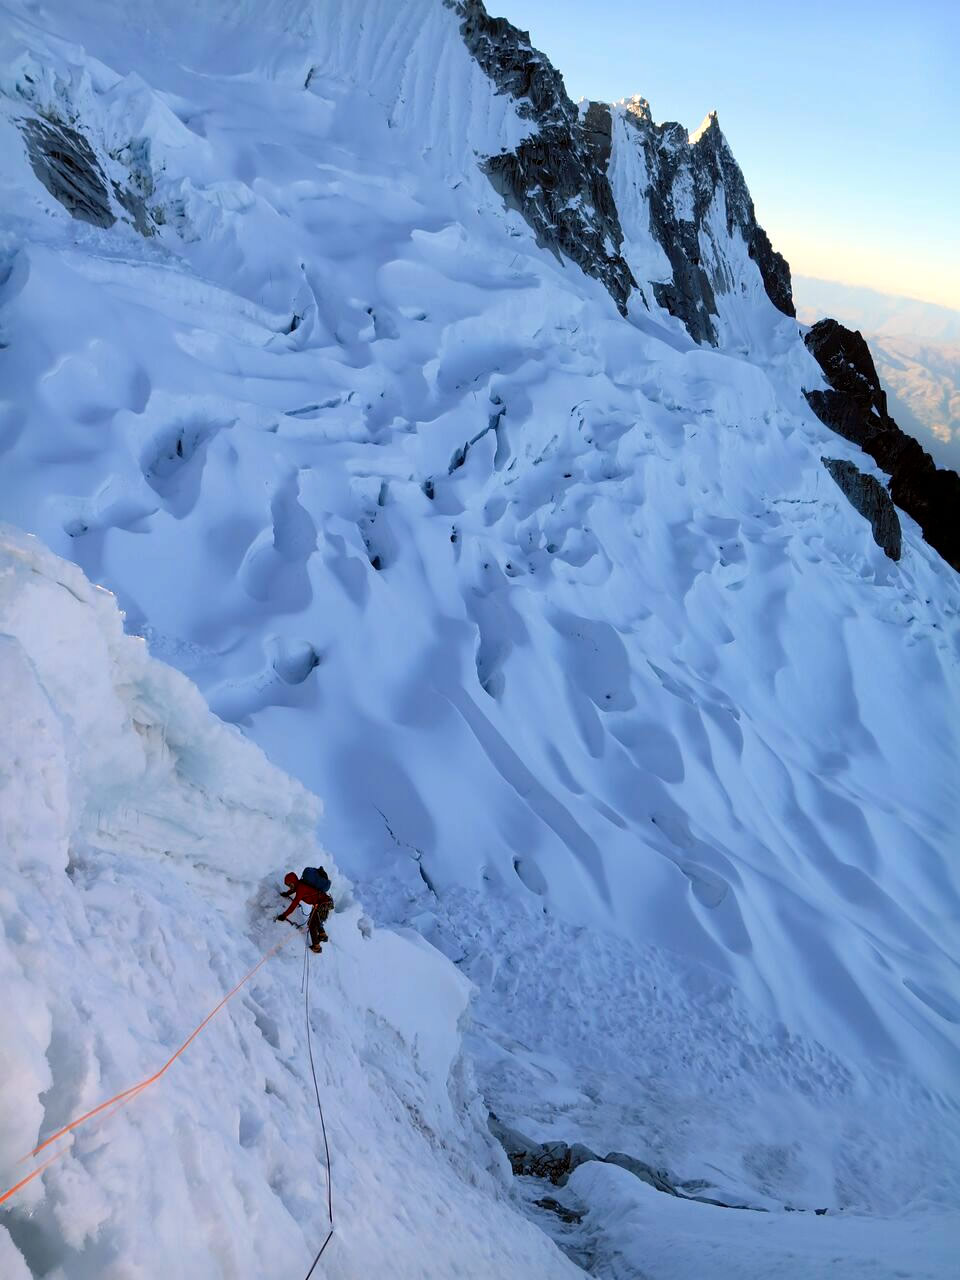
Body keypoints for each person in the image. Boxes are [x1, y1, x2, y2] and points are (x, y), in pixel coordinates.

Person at [275, 870, 333, 953]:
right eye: (288, 885)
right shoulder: (300, 885)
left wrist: (284, 915)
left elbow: (294, 905)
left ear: (293, 882)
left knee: (311, 924)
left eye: (290, 884)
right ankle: (322, 935)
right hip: (325, 903)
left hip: (323, 904)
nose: (290, 887)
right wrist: (286, 894)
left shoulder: (301, 888)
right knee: (315, 919)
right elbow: (293, 890)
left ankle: (316, 947)